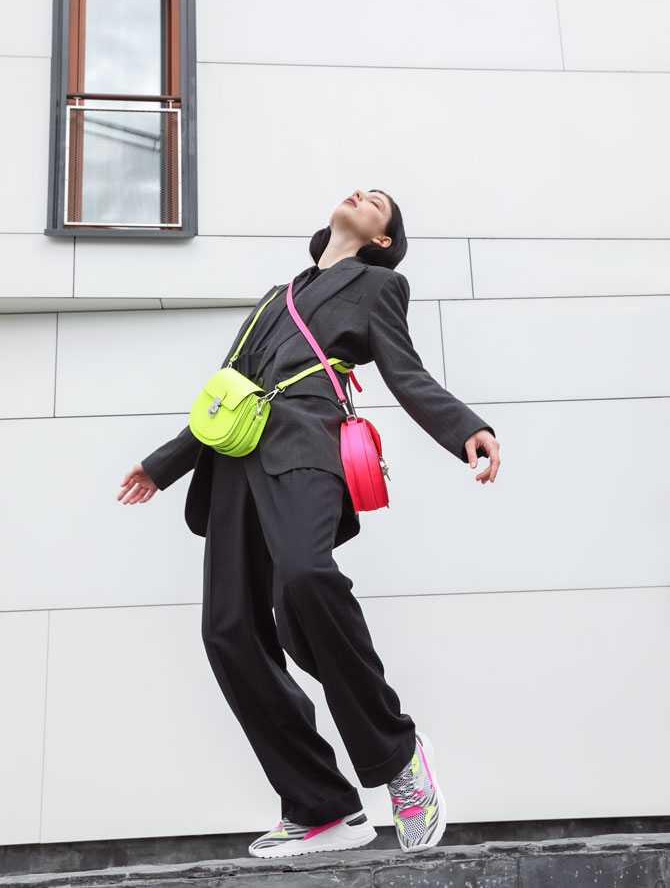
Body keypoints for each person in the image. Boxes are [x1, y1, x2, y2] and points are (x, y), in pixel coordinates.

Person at [117, 189, 500, 859]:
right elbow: (226, 389)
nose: (363, 193)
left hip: (305, 441)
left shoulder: (380, 285)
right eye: (361, 188)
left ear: (383, 239)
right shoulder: (277, 295)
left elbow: (404, 369)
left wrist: (463, 427)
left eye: (378, 201)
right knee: (228, 630)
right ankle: (321, 807)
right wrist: (165, 463)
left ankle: (398, 753)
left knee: (304, 576)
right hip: (233, 462)